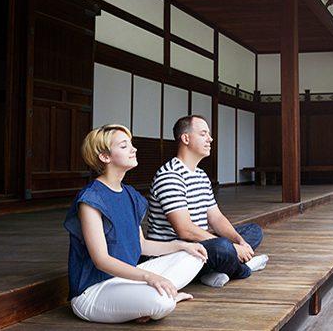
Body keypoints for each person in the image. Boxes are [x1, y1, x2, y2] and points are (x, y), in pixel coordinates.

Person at [65, 124, 208, 323]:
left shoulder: (130, 194)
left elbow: (141, 245)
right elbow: (101, 261)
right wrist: (149, 277)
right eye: (124, 146)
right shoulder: (91, 199)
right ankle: (164, 297)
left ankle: (156, 296)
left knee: (194, 255)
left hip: (126, 280)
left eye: (131, 144)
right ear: (105, 157)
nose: (134, 149)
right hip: (95, 291)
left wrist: (183, 245)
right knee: (163, 302)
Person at [148, 115, 268, 288]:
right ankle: (244, 268)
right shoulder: (170, 175)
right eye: (203, 134)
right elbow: (185, 231)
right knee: (223, 247)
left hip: (199, 247)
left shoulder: (201, 175)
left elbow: (216, 218)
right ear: (186, 138)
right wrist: (233, 248)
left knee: (253, 231)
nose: (210, 139)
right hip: (176, 253)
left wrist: (239, 242)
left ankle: (214, 272)